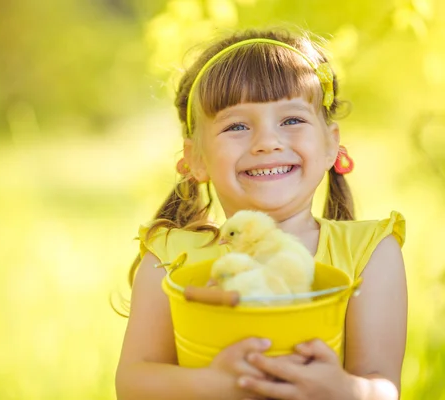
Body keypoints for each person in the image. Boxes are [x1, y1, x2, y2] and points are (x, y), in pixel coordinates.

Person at [115, 28, 407, 400]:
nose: (267, 142)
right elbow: (133, 382)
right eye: (236, 126)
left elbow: (382, 386)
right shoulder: (171, 256)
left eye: (291, 120)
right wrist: (215, 384)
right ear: (195, 160)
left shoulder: (369, 253)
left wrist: (340, 390)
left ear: (331, 144)